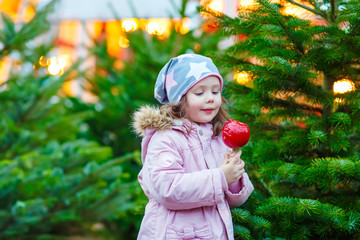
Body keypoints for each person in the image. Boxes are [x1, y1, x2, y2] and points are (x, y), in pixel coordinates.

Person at [132, 53, 254, 240]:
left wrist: (234, 176)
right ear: (179, 99)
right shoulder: (166, 138)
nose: (210, 98)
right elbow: (168, 190)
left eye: (215, 92)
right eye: (200, 93)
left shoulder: (218, 136)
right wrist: (221, 176)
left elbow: (235, 200)